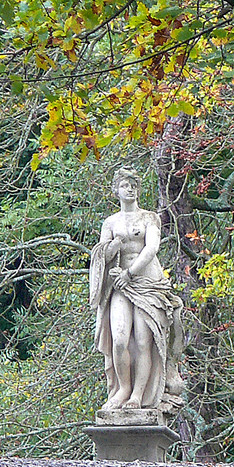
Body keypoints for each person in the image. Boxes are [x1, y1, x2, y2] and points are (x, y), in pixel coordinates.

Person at [89, 167, 186, 416]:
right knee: (120, 339)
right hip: (120, 286)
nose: (130, 188)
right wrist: (112, 248)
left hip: (146, 282)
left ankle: (138, 395)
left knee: (144, 340)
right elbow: (101, 257)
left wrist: (129, 273)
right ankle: (123, 389)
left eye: (133, 184)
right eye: (125, 184)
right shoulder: (110, 222)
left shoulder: (149, 218)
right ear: (116, 190)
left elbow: (151, 248)